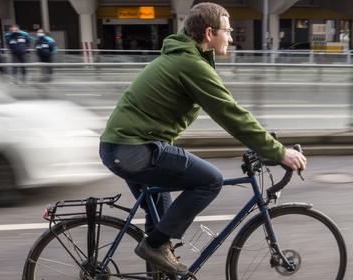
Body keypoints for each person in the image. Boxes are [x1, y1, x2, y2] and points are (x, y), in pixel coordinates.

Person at [98, 2, 307, 275]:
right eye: (228, 31)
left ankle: (157, 260)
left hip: (126, 146)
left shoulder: (185, 58)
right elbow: (230, 113)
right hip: (133, 149)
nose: (231, 37)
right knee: (210, 180)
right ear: (210, 33)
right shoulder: (191, 64)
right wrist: (279, 152)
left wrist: (265, 145)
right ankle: (154, 246)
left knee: (161, 219)